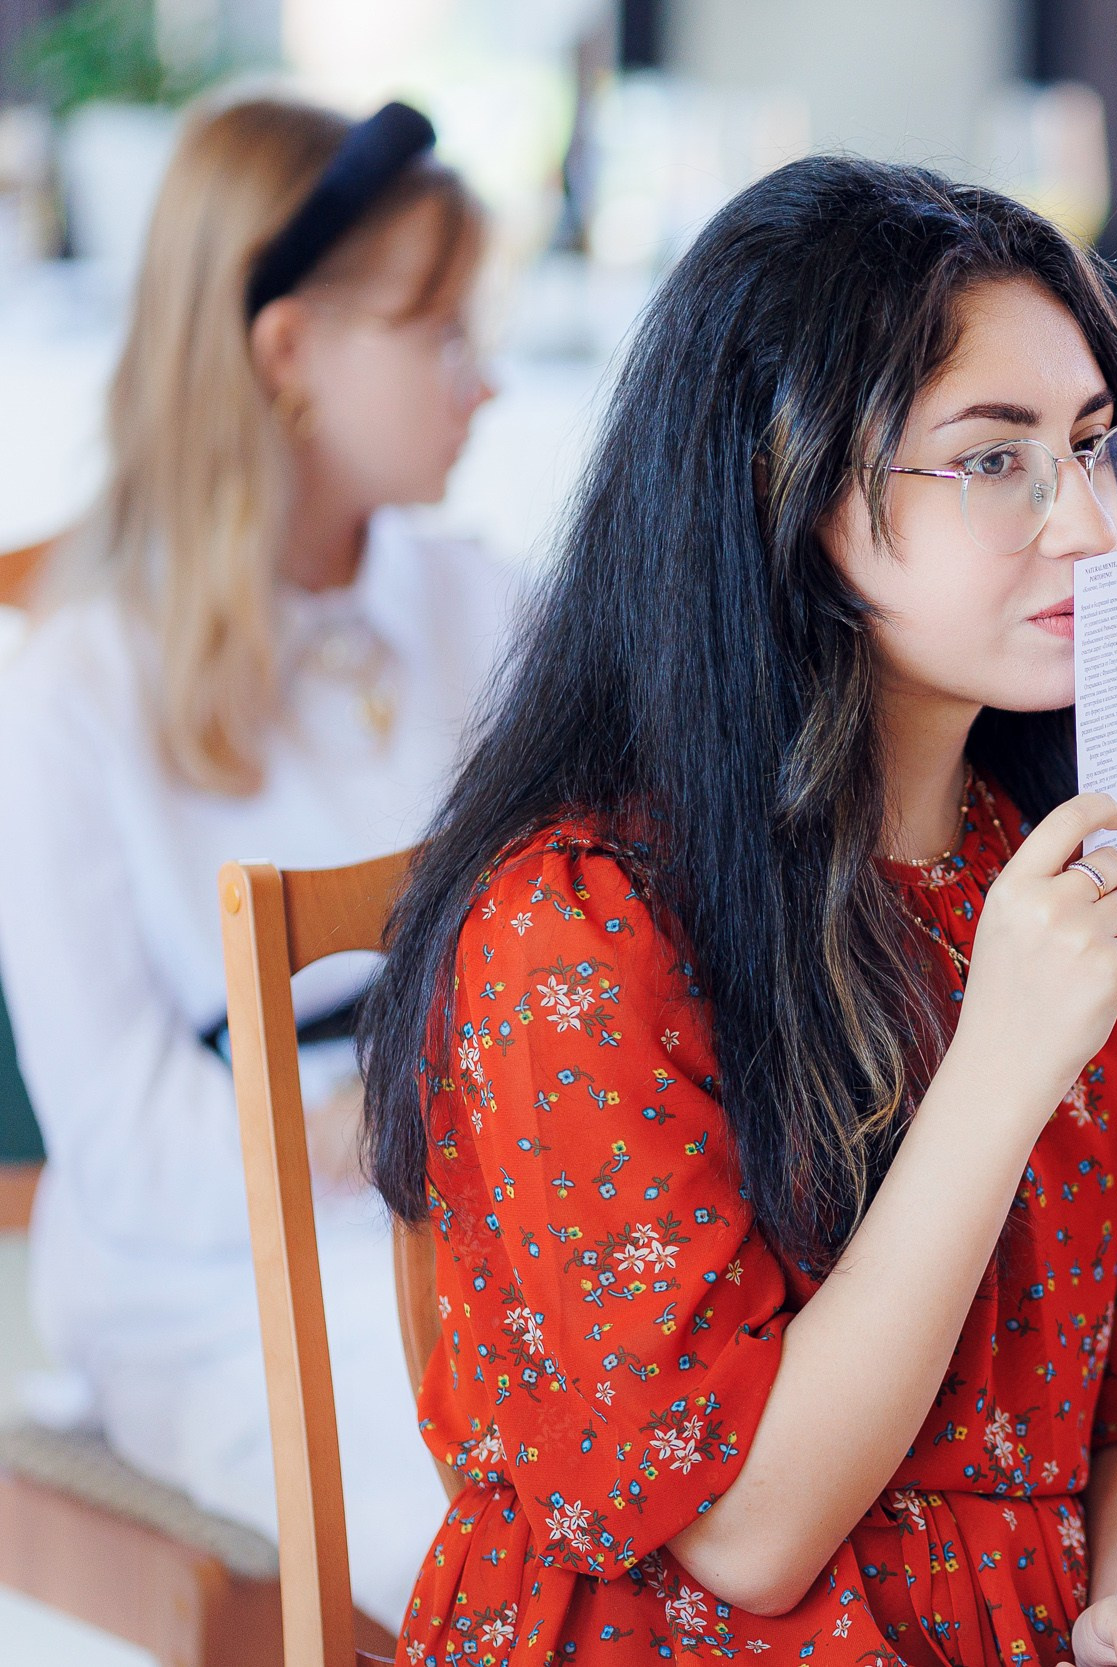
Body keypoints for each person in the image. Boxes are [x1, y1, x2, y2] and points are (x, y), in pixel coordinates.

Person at [362, 156, 1117, 1665]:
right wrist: (1002, 1057)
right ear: (785, 478)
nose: (1090, 531)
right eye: (994, 460)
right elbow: (751, 1536)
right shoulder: (577, 927)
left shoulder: (1066, 870)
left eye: (1101, 451)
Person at [0, 95, 511, 1624]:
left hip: (488, 1195)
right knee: (511, 1516)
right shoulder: (66, 688)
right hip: (220, 1278)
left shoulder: (488, 602)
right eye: (438, 334)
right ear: (287, 357)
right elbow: (129, 1147)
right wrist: (411, 1119)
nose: (485, 383)